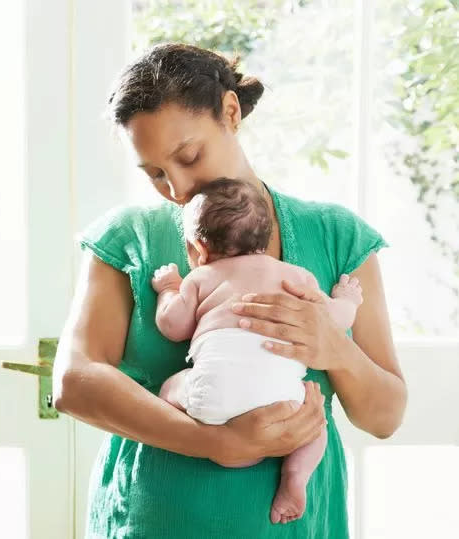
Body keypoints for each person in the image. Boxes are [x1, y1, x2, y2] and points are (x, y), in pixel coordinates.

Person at [51, 42, 407, 538]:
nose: (177, 189)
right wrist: (212, 442)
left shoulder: (337, 236)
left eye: (189, 156)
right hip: (155, 522)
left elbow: (384, 417)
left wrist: (334, 348)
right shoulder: (127, 237)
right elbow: (73, 382)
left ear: (231, 112)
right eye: (154, 174)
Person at [152, 178, 364, 524]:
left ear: (200, 248)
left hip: (213, 399)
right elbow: (335, 321)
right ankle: (295, 477)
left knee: (171, 388)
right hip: (284, 402)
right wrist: (347, 300)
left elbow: (172, 326)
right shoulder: (297, 277)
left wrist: (169, 289)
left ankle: (207, 439)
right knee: (316, 427)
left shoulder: (202, 278)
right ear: (266, 241)